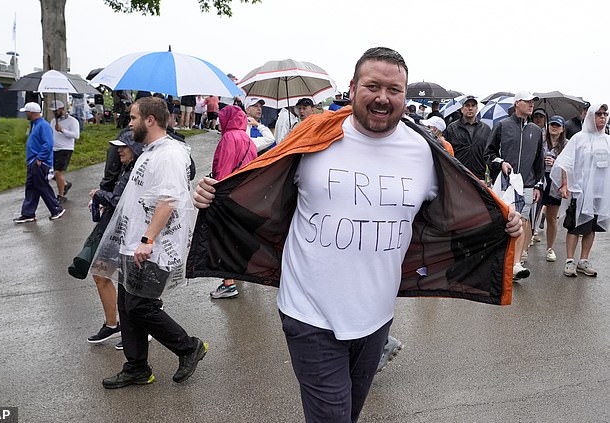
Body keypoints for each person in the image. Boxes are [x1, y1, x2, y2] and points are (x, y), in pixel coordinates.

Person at [188, 47, 522, 422]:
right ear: (352, 87)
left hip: (377, 317)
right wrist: (212, 194)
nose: (383, 97)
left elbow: (464, 201)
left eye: (394, 89)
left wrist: (504, 219)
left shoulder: (424, 151)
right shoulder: (314, 135)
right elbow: (258, 181)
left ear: (405, 96)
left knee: (348, 413)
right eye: (373, 86)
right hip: (308, 312)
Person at [96, 96, 206, 389]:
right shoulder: (149, 151)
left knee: (140, 306)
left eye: (133, 118)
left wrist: (148, 239)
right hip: (132, 245)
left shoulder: (169, 154)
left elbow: (168, 200)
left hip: (152, 249)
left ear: (150, 120)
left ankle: (188, 346)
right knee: (127, 304)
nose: (128, 123)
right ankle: (136, 367)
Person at [69, 130, 143, 345]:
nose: (118, 150)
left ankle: (141, 329)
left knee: (131, 282)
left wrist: (99, 194)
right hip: (113, 230)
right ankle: (113, 325)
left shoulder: (138, 171)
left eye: (123, 146)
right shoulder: (126, 167)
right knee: (101, 274)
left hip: (129, 234)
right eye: (117, 146)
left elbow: (122, 201)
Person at [485, 91, 544, 281]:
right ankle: (501, 261)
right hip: (505, 184)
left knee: (522, 222)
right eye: (527, 101)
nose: (531, 105)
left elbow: (539, 160)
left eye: (533, 102)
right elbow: (489, 153)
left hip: (527, 184)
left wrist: (538, 185)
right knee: (504, 223)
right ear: (517, 103)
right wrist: (500, 162)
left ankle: (516, 264)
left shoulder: (536, 130)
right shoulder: (502, 126)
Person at [551, 104, 610, 277]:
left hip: (599, 193)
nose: (602, 117)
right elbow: (565, 162)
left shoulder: (607, 140)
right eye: (598, 114)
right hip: (580, 191)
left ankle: (583, 260)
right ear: (591, 116)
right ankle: (570, 260)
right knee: (575, 226)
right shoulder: (579, 138)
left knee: (591, 227)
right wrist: (564, 184)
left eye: (605, 114)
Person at [209, 105, 258, 299]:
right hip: (247, 195)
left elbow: (223, 169)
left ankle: (228, 283)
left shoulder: (229, 138)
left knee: (224, 239)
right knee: (238, 238)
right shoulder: (248, 139)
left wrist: (216, 191)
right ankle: (238, 273)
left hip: (229, 196)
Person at [13, 102, 66, 223]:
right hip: (33, 161)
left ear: (31, 112)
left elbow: (48, 144)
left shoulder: (43, 125)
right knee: (31, 187)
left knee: (42, 186)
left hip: (39, 162)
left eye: (26, 112)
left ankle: (56, 209)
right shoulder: (34, 125)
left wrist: (40, 158)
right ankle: (28, 213)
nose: (25, 114)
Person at [443, 96, 492, 181]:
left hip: (479, 176)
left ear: (477, 109)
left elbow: (489, 152)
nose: (470, 108)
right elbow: (447, 152)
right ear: (462, 109)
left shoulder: (486, 129)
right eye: (467, 105)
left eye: (473, 106)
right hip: (458, 175)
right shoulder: (452, 128)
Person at [541, 115, 568, 263]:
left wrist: (556, 161)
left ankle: (550, 248)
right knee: (533, 215)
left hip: (555, 181)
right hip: (540, 179)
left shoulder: (567, 144)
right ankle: (524, 248)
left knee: (552, 217)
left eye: (557, 125)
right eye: (552, 124)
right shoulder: (541, 142)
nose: (554, 127)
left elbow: (570, 164)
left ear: (562, 128)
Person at [49, 100, 80, 203]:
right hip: (54, 149)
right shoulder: (53, 121)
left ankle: (61, 195)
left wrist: (62, 130)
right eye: (53, 111)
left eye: (56, 111)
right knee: (50, 173)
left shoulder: (72, 121)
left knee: (58, 172)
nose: (54, 113)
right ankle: (65, 184)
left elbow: (76, 135)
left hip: (65, 148)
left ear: (62, 109)